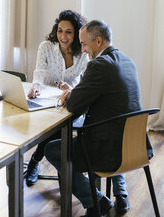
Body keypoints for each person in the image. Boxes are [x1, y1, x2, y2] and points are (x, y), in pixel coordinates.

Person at [45, 19, 142, 216]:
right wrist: (77, 92)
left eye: (84, 44)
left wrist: (72, 95)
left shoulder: (99, 65)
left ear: (98, 41)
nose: (82, 49)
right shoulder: (126, 60)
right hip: (135, 147)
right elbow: (100, 94)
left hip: (108, 151)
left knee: (55, 150)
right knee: (68, 147)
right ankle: (111, 198)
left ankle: (96, 202)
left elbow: (73, 105)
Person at [25, 10, 89, 186]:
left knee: (56, 128)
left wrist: (72, 89)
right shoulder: (46, 47)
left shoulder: (83, 52)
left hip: (70, 100)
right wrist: (36, 85)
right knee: (53, 128)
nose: (63, 36)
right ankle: (40, 164)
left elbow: (86, 81)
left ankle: (34, 163)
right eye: (60, 30)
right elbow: (38, 72)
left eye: (68, 31)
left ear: (76, 33)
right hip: (46, 99)